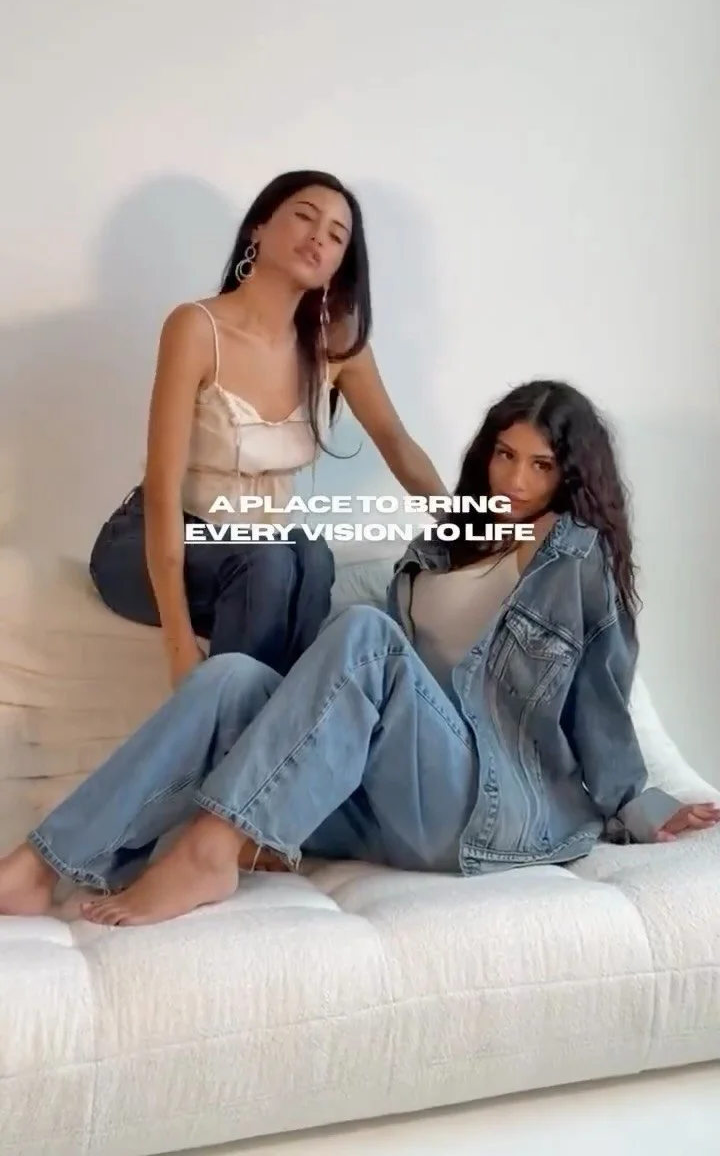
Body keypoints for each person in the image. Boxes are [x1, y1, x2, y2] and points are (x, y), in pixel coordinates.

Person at [1, 379, 717, 925]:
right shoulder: (443, 545)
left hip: (481, 804)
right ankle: (38, 866)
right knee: (231, 677)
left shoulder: (572, 558)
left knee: (367, 633)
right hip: (382, 801)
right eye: (505, 455)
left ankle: (212, 850)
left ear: (570, 476)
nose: (516, 481)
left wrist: (640, 804)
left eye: (541, 465)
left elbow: (600, 696)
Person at [88, 169, 446, 686]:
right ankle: (222, 714)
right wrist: (180, 646)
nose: (318, 237)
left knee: (312, 557)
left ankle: (277, 721)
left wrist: (470, 529)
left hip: (254, 552)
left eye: (336, 235)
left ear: (339, 264)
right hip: (148, 544)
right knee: (272, 561)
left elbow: (396, 443)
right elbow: (163, 488)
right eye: (304, 216)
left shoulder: (337, 345)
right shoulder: (196, 328)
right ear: (259, 226)